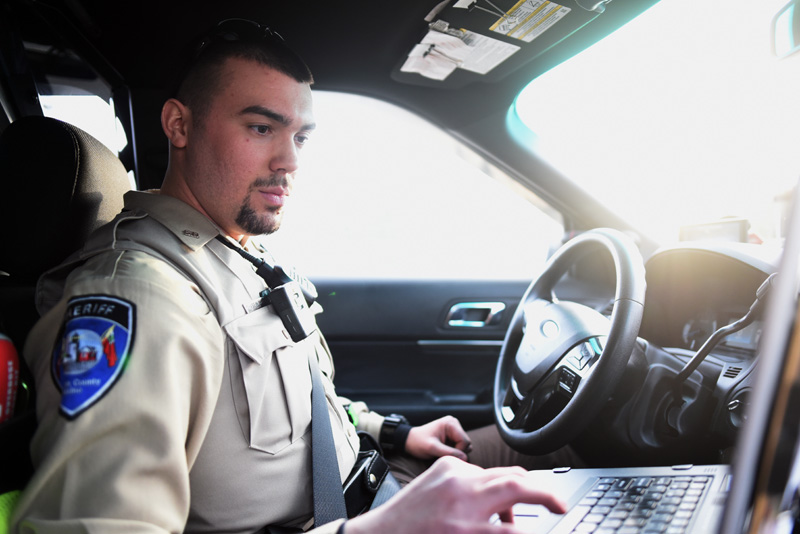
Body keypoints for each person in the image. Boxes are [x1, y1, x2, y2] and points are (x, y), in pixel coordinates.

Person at [10, 19, 573, 534]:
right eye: (261, 128)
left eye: (300, 137)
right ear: (179, 125)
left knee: (553, 443)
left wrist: (393, 433)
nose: (291, 161)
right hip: (352, 521)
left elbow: (297, 406)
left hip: (377, 483)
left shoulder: (233, 253)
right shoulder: (140, 292)